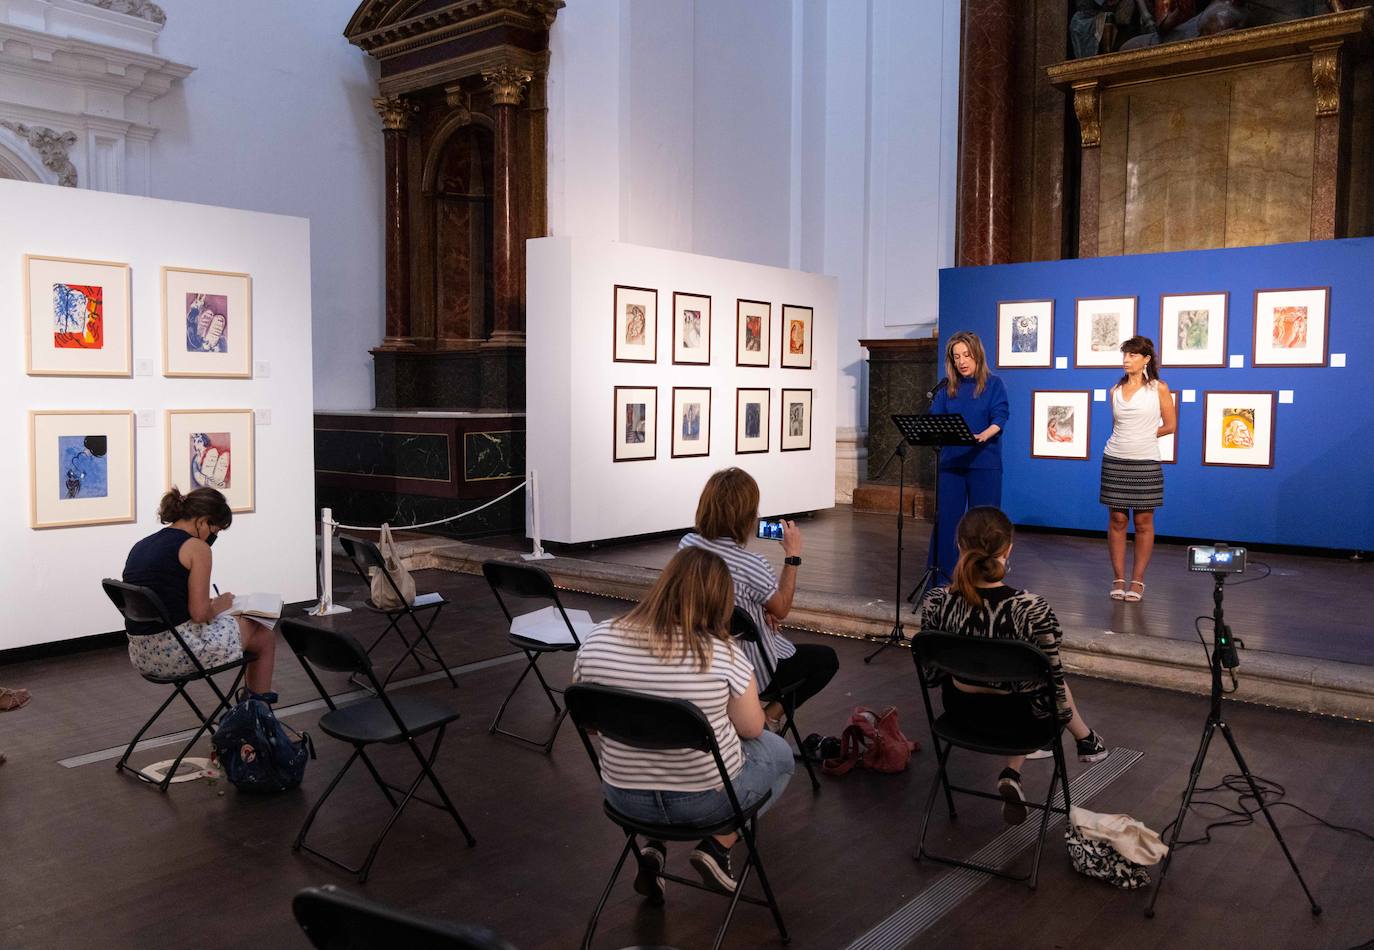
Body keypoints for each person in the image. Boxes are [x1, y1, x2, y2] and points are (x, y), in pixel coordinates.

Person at [572, 547, 795, 897]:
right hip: (703, 804)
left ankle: (652, 847)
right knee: (779, 753)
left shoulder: (597, 639)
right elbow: (752, 729)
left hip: (623, 799)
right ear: (722, 600)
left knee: (649, 738)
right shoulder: (723, 654)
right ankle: (718, 846)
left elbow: (589, 724)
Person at [916, 506, 1107, 825]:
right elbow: (1054, 686)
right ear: (1009, 550)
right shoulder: (1030, 609)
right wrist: (1069, 726)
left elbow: (932, 676)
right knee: (1043, 684)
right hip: (1023, 724)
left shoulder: (937, 601)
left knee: (1020, 683)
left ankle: (1016, 770)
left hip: (960, 716)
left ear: (959, 545)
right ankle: (1087, 740)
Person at [680, 468, 838, 730]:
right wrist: (792, 556)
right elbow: (783, 608)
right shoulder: (752, 565)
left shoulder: (687, 546)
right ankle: (770, 716)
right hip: (752, 670)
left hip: (703, 654)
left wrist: (756, 613)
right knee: (826, 659)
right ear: (747, 515)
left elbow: (721, 597)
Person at [122, 487, 275, 694]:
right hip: (179, 652)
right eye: (215, 532)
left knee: (260, 640)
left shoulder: (142, 545)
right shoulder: (197, 548)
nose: (213, 538)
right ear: (202, 521)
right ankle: (257, 714)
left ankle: (255, 714)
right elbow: (199, 614)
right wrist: (219, 604)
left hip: (141, 655)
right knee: (260, 626)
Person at [927, 331, 1009, 583]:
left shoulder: (994, 384)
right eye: (956, 356)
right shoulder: (947, 388)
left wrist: (985, 434)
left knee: (984, 526)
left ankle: (983, 579)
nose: (962, 361)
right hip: (952, 463)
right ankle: (944, 581)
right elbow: (934, 419)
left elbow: (1000, 416)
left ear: (977, 355)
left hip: (984, 461)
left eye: (966, 355)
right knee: (947, 521)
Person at [1101, 335, 1176, 602]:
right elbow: (1117, 427)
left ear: (1145, 359)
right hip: (1115, 459)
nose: (1126, 359)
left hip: (1146, 461)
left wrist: (1145, 435)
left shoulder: (1159, 388)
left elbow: (1170, 425)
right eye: (1124, 354)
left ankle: (1138, 580)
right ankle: (1119, 578)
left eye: (1132, 355)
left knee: (1143, 522)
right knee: (1118, 520)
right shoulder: (1114, 391)